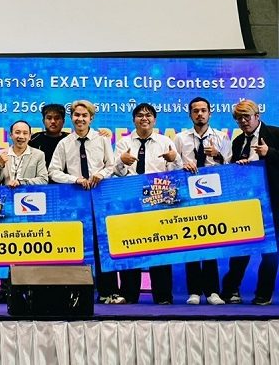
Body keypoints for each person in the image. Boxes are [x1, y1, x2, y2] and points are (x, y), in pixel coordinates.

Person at [221, 99, 279, 305]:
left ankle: (264, 294)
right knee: (241, 245)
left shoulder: (277, 133)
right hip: (246, 201)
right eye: (239, 118)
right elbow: (235, 173)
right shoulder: (238, 141)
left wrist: (269, 153)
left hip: (272, 199)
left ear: (257, 116)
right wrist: (239, 166)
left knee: (269, 247)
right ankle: (231, 290)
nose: (243, 121)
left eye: (247, 117)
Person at [48, 100, 120, 304]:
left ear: (91, 118)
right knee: (77, 246)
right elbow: (53, 171)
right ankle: (77, 294)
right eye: (76, 115)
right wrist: (75, 179)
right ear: (71, 118)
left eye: (84, 115)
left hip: (100, 199)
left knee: (102, 245)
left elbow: (112, 166)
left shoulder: (102, 139)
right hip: (75, 201)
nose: (80, 119)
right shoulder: (64, 143)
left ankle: (108, 292)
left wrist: (100, 174)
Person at [114, 103, 182, 304]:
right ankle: (129, 294)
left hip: (158, 201)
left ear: (154, 119)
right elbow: (116, 173)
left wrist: (175, 159)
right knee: (130, 247)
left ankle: (163, 296)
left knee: (160, 248)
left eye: (149, 115)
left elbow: (177, 173)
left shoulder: (165, 141)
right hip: (131, 202)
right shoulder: (123, 143)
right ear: (133, 120)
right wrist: (121, 161)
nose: (144, 118)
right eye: (140, 115)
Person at [173, 97, 231, 306]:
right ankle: (194, 291)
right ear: (190, 114)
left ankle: (213, 291)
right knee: (190, 244)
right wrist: (182, 166)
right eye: (195, 111)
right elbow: (172, 166)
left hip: (212, 196)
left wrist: (218, 155)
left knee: (211, 243)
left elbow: (230, 166)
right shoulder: (180, 138)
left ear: (210, 113)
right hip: (187, 196)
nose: (200, 114)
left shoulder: (222, 137)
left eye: (203, 110)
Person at [0, 120, 49, 187]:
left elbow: (43, 180)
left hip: (29, 193)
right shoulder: (0, 154)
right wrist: (0, 166)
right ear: (11, 135)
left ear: (30, 136)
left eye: (25, 133)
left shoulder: (39, 155)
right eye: (17, 132)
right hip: (6, 193)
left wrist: (21, 182)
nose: (21, 136)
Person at [30, 103, 69, 168]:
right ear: (43, 121)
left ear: (63, 121)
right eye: (49, 118)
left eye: (57, 118)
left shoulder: (70, 139)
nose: (53, 121)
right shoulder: (33, 140)